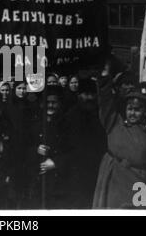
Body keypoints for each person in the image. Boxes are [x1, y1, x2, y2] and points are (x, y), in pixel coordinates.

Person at [92, 66, 146, 209]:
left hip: (139, 184)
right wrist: (105, 78)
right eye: (130, 109)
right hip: (114, 178)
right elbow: (105, 102)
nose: (132, 113)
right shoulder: (114, 123)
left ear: (144, 112)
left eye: (137, 110)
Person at [61, 79, 107, 208]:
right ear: (79, 95)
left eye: (92, 94)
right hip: (76, 171)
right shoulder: (70, 116)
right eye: (86, 94)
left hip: (97, 168)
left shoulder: (100, 114)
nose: (89, 97)